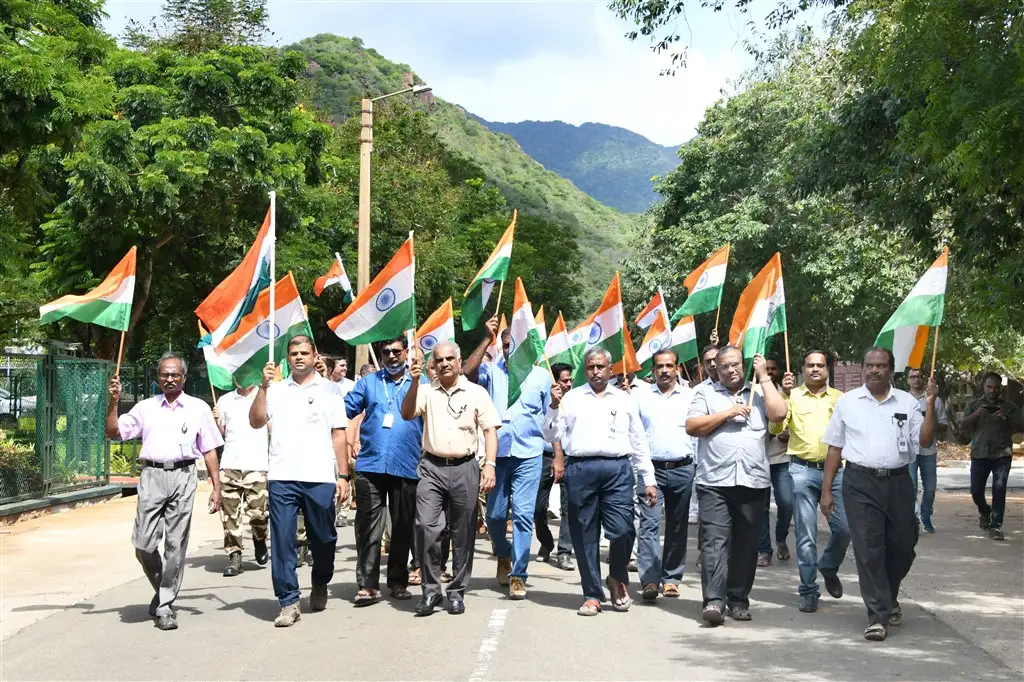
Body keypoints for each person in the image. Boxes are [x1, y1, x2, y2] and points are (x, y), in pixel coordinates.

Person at [821, 347, 937, 642]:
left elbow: (923, 441)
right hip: (859, 482)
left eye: (881, 366)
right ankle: (877, 615)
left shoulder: (909, 402)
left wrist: (931, 405)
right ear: (863, 368)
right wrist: (827, 491)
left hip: (898, 483)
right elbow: (834, 447)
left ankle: (886, 595)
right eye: (870, 366)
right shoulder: (848, 402)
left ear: (891, 370)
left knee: (904, 545)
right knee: (869, 549)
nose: (874, 371)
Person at [105, 353, 223, 631]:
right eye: (164, 375)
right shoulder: (145, 408)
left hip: (184, 476)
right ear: (158, 377)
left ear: (184, 377)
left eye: (175, 375)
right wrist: (113, 401)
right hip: (152, 475)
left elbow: (209, 449)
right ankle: (162, 589)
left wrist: (217, 486)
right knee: (143, 543)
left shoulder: (198, 408)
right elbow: (113, 432)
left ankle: (166, 604)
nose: (169, 379)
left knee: (175, 545)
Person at [544, 347, 657, 616]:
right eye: (591, 367)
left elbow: (639, 441)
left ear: (610, 369)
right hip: (581, 469)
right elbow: (551, 433)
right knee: (585, 535)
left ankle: (617, 578)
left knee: (623, 530)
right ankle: (592, 594)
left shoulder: (624, 399)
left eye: (601, 366)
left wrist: (648, 478)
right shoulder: (570, 398)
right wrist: (553, 406)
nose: (596, 371)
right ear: (585, 370)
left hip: (618, 470)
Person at [249, 336, 350, 628]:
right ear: (287, 358)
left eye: (304, 352)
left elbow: (339, 434)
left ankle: (320, 580)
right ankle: (288, 601)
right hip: (282, 477)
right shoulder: (275, 391)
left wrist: (343, 476)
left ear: (314, 355)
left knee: (324, 538)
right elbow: (256, 421)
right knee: (282, 541)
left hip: (319, 477)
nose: (299, 357)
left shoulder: (330, 390)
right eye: (293, 353)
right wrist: (263, 387)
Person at [685, 345, 787, 626]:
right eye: (724, 366)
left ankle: (739, 599)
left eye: (735, 365)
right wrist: (727, 414)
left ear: (743, 366)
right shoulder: (705, 393)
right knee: (714, 542)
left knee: (746, 544)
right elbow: (692, 426)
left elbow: (779, 414)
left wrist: (764, 376)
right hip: (714, 482)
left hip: (753, 482)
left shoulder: (761, 391)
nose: (730, 370)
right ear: (715, 369)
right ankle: (714, 602)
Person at [401, 340, 499, 616]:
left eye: (449, 359)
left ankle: (456, 592)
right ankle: (431, 591)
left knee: (463, 532)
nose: (444, 364)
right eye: (439, 360)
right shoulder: (425, 391)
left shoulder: (476, 392)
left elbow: (490, 430)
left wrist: (489, 465)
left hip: (465, 467)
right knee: (426, 527)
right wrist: (414, 381)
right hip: (431, 467)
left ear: (458, 361)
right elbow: (407, 413)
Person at [463, 315, 550, 600]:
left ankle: (519, 574)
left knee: (523, 516)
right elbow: (466, 374)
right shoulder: (491, 371)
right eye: (505, 343)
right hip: (496, 455)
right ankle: (503, 554)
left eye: (514, 343)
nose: (509, 348)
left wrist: (558, 456)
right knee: (496, 516)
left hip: (529, 455)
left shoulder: (541, 376)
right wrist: (486, 338)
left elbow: (552, 419)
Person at [343, 336, 422, 605]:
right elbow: (343, 408)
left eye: (396, 351)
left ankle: (398, 581)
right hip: (371, 464)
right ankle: (367, 585)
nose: (391, 356)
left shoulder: (418, 383)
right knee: (368, 527)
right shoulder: (368, 383)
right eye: (386, 351)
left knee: (401, 527)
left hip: (406, 465)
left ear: (406, 352)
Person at [772, 351, 848, 613]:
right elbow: (774, 428)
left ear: (828, 369)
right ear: (802, 369)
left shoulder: (840, 399)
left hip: (837, 473)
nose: (815, 369)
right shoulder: (791, 396)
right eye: (810, 365)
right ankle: (808, 590)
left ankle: (828, 565)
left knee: (845, 528)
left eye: (820, 365)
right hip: (802, 472)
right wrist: (783, 395)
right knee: (806, 535)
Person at [634, 349, 696, 601]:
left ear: (678, 368)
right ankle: (649, 579)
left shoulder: (691, 397)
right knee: (648, 524)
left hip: (683, 469)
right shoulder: (640, 397)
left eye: (669, 365)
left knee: (677, 525)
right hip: (651, 472)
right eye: (659, 366)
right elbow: (635, 435)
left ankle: (671, 578)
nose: (664, 370)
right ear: (653, 369)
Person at [213, 380, 269, 578]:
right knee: (229, 515)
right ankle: (235, 555)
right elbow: (218, 436)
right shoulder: (225, 400)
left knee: (259, 513)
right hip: (230, 465)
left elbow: (273, 428)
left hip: (258, 464)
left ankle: (259, 538)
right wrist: (216, 423)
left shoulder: (265, 396)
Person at [960, 372, 1023, 542]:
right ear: (984, 386)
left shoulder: (1009, 407)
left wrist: (1006, 418)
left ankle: (996, 526)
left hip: (1002, 454)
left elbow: (1021, 426)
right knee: (975, 491)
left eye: (996, 387)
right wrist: (977, 414)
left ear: (1000, 388)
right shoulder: (974, 404)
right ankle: (985, 511)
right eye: (989, 387)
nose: (992, 390)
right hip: (979, 453)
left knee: (1000, 489)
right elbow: (962, 426)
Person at [533, 362, 575, 571]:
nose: (568, 384)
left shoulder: (577, 401)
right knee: (538, 507)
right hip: (545, 458)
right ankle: (546, 543)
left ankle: (564, 551)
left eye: (570, 380)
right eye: (563, 381)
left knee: (569, 508)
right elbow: (550, 432)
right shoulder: (544, 402)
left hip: (571, 459)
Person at [757, 358, 793, 566]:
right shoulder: (753, 392)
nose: (769, 372)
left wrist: (790, 433)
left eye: (772, 368)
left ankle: (781, 538)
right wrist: (769, 434)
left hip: (782, 458)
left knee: (786, 503)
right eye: (766, 368)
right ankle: (764, 549)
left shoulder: (788, 394)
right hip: (759, 459)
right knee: (760, 507)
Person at [907, 367, 948, 533]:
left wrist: (929, 421)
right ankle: (913, 518)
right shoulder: (903, 401)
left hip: (928, 450)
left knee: (930, 487)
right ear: (908, 380)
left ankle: (926, 514)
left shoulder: (935, 400)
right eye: (913, 376)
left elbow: (944, 426)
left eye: (919, 376)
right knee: (911, 487)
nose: (916, 379)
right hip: (909, 451)